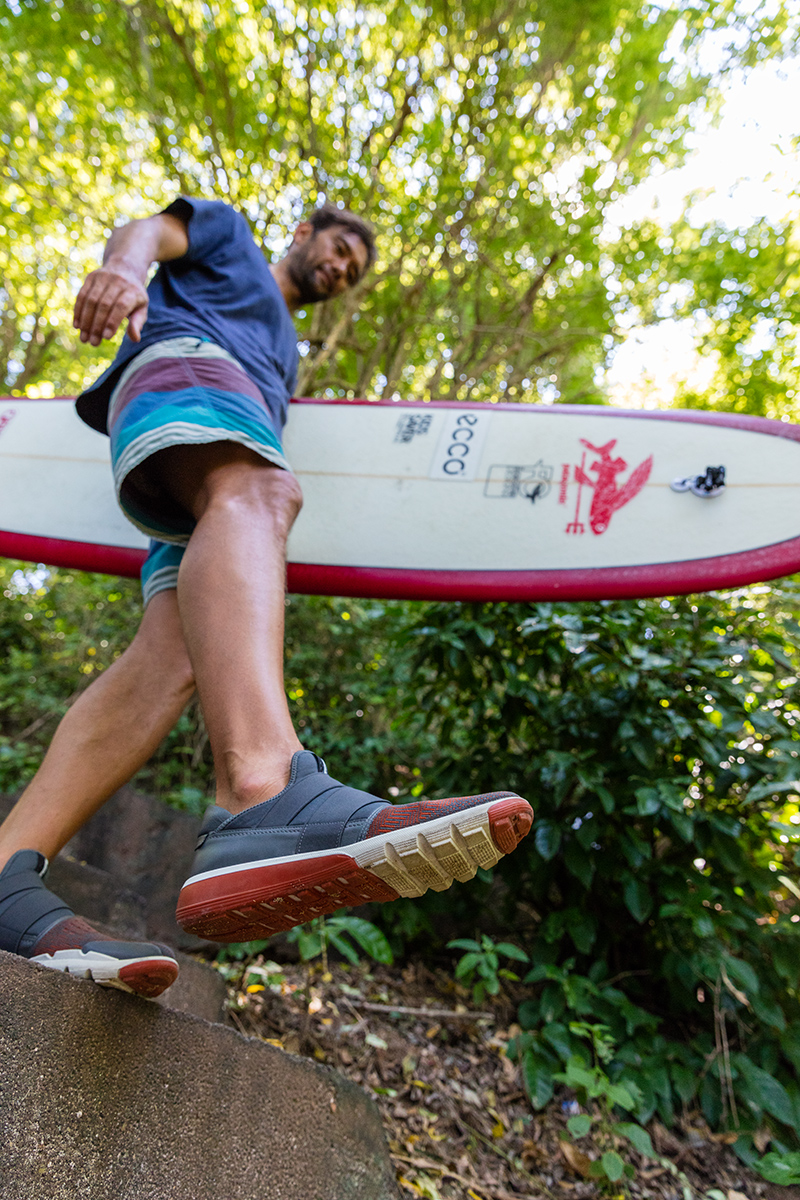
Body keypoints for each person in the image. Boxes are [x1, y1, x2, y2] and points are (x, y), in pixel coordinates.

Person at [0, 197, 533, 999]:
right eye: (341, 246)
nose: (344, 267)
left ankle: (5, 872)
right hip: (189, 372)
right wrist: (123, 268)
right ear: (304, 233)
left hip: (217, 442)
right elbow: (150, 231)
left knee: (173, 655)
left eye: (357, 267)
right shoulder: (232, 240)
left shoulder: (287, 351)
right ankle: (263, 789)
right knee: (261, 492)